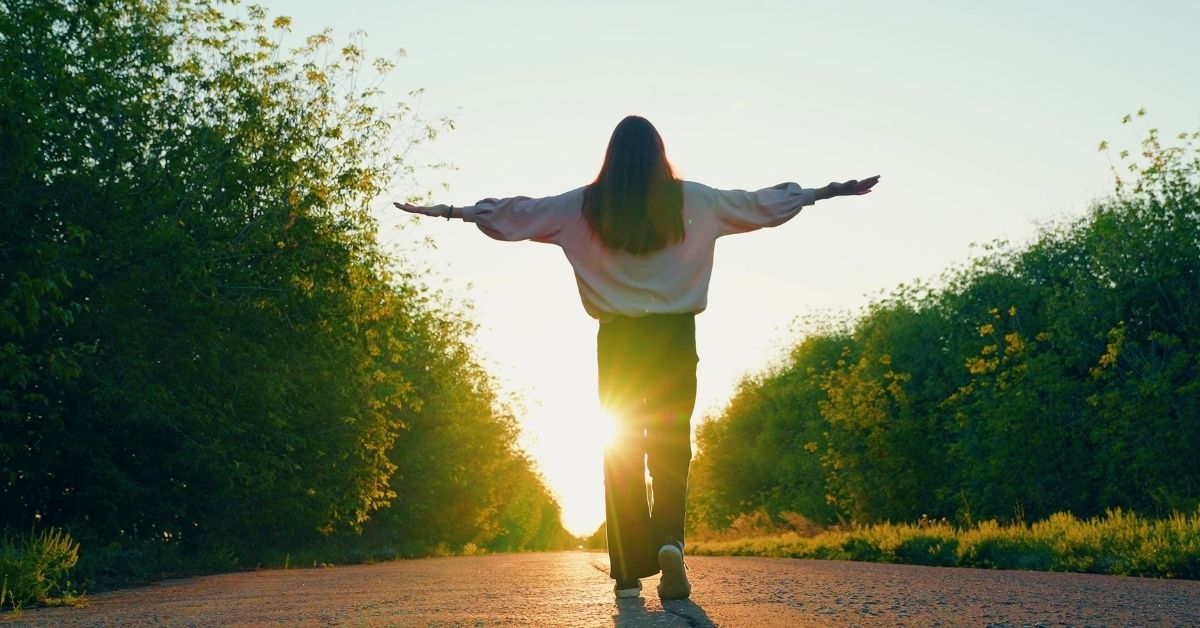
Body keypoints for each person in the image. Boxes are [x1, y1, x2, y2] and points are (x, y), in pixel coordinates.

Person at [395, 115, 879, 600]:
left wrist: (450, 212)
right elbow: (758, 203)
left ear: (611, 157)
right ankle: (669, 540)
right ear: (659, 155)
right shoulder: (697, 200)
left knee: (621, 449)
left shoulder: (579, 206)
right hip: (674, 336)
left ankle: (628, 572)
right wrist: (825, 192)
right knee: (670, 444)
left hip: (619, 340)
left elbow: (516, 213)